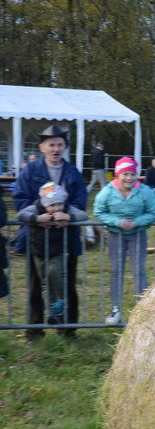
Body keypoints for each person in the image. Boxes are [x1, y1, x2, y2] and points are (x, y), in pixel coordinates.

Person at [13, 125, 88, 341]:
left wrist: (68, 216)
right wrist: (39, 217)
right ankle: (34, 332)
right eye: (51, 145)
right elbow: (20, 199)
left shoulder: (73, 172)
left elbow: (80, 201)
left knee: (67, 284)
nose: (56, 149)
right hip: (36, 239)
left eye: (60, 145)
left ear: (65, 147)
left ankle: (68, 330)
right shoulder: (30, 171)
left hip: (66, 240)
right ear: (42, 147)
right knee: (35, 286)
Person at [93, 157, 155, 325]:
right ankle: (116, 310)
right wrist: (118, 222)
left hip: (138, 235)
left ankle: (142, 311)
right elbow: (99, 211)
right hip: (116, 236)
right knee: (116, 271)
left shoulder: (145, 191)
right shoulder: (108, 191)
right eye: (125, 174)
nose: (129, 178)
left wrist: (136, 222)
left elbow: (153, 212)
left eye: (132, 174)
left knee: (139, 271)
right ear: (117, 175)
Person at [17, 182, 88, 330]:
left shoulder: (66, 208)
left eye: (59, 204)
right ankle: (53, 313)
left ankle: (62, 300)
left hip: (58, 250)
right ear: (44, 203)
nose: (57, 208)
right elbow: (21, 215)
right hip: (39, 251)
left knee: (53, 271)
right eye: (52, 205)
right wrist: (37, 219)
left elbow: (83, 215)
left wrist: (68, 216)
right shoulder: (37, 207)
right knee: (45, 282)